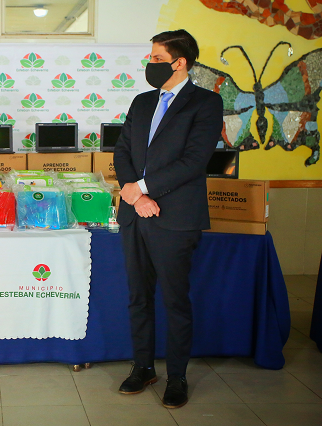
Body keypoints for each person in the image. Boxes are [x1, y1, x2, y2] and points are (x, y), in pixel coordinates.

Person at [113, 30, 223, 409]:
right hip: (135, 215)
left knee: (175, 301)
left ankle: (177, 376)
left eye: (157, 58)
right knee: (138, 298)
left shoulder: (206, 103)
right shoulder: (142, 102)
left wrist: (142, 189)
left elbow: (194, 161)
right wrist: (134, 194)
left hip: (175, 217)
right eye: (151, 57)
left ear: (180, 62)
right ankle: (143, 367)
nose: (150, 64)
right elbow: (122, 150)